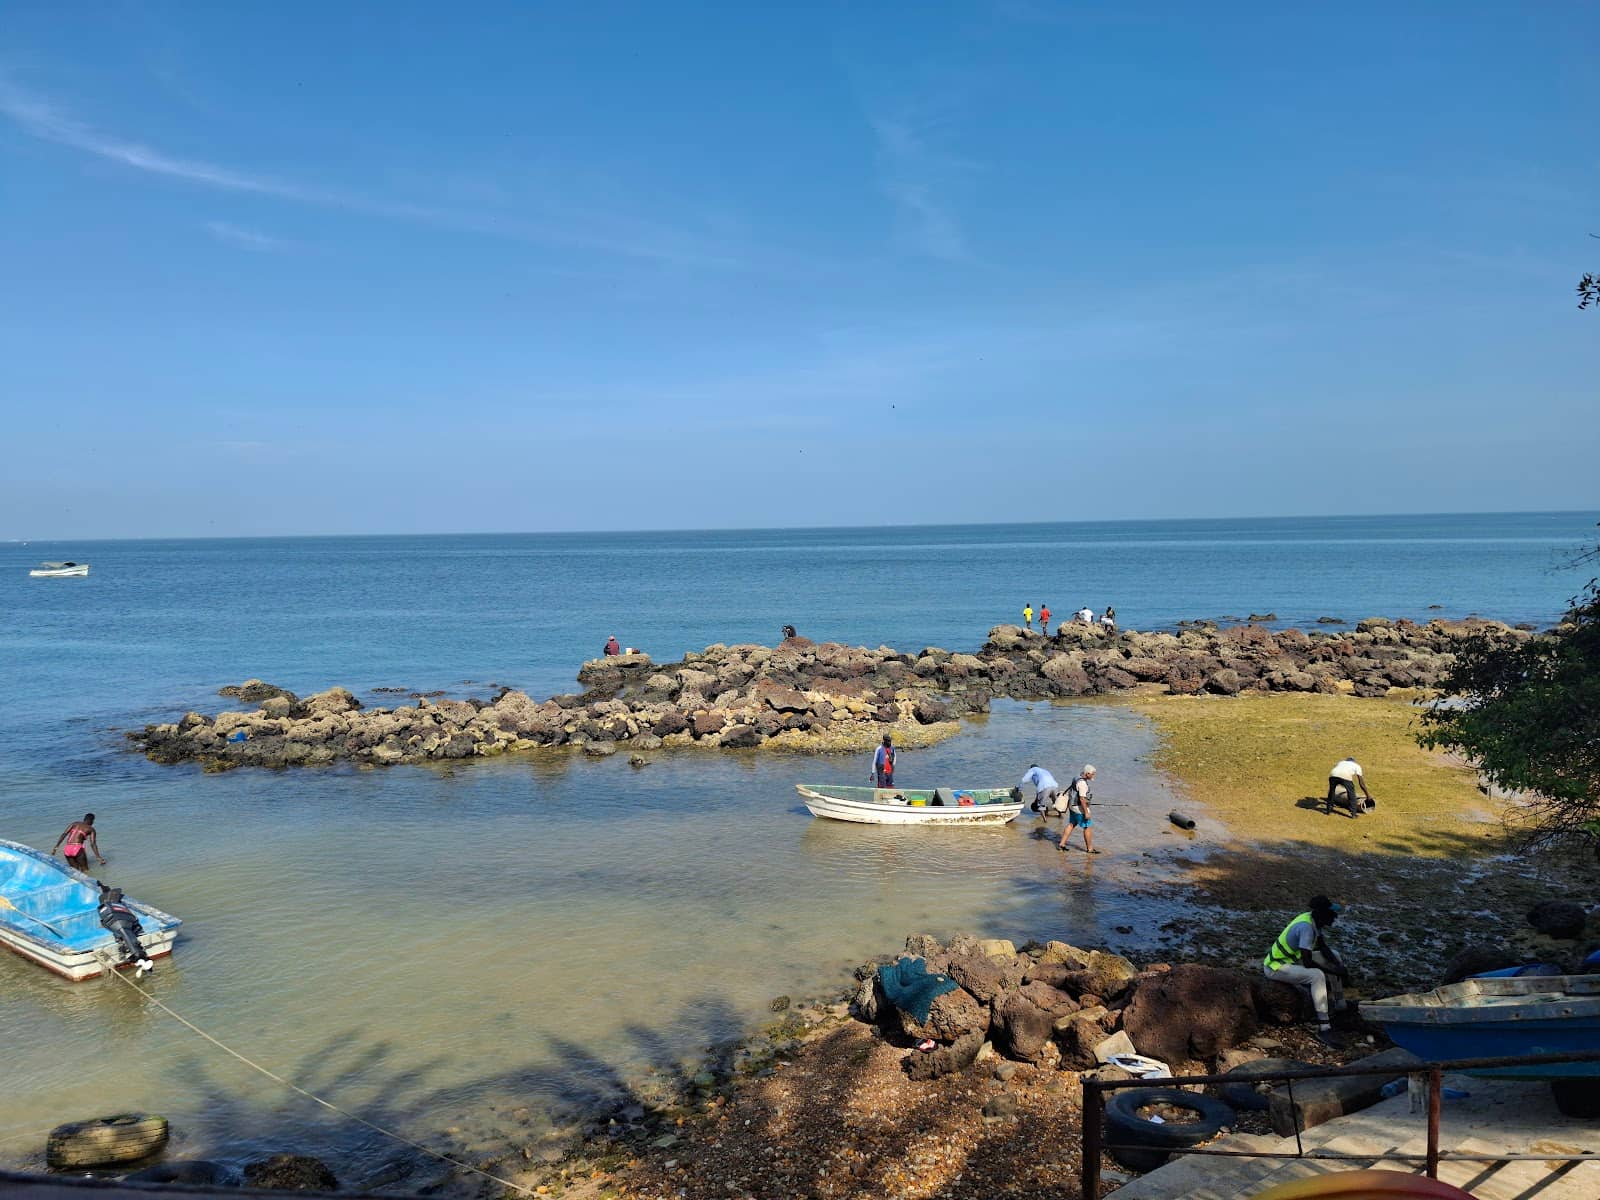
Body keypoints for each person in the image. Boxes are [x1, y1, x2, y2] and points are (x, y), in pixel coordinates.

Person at [1262, 895, 1351, 1046]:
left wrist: (1340, 967)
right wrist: (1336, 972)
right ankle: (1324, 1027)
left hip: (1291, 961)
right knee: (1317, 976)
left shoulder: (1314, 920)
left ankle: (1340, 1003)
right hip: (1275, 967)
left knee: (1334, 955)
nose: (1335, 916)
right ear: (1323, 914)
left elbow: (1323, 947)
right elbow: (1308, 963)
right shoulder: (1307, 928)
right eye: (1332, 913)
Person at [97, 884, 154, 974]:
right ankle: (139, 956)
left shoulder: (111, 916)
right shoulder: (118, 916)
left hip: (118, 921)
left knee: (122, 931)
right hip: (121, 921)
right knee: (124, 931)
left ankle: (138, 956)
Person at [1058, 765, 1099, 853]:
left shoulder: (1077, 777)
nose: (1093, 776)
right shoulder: (1083, 784)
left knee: (1072, 824)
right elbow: (1082, 799)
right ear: (1087, 773)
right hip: (1079, 808)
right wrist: (1086, 812)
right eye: (1092, 774)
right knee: (1087, 826)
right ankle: (1090, 848)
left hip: (1072, 806)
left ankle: (1062, 844)